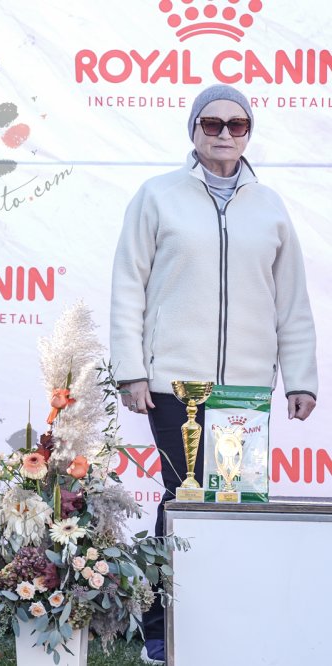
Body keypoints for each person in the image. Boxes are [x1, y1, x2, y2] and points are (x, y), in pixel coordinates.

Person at [110, 84, 318, 665]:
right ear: (194, 131)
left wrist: (301, 378)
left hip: (246, 390)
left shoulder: (270, 206)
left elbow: (291, 301)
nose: (225, 133)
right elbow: (128, 286)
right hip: (173, 383)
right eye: (212, 123)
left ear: (249, 133)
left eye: (237, 124)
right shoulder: (157, 196)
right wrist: (131, 370)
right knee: (182, 498)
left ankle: (225, 622)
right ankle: (160, 629)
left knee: (237, 505)